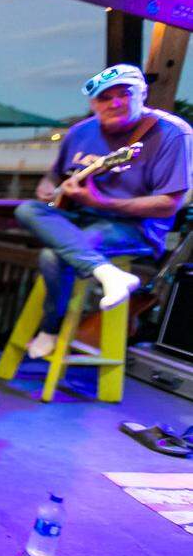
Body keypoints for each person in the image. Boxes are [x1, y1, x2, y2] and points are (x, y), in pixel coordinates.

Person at [15, 64, 192, 358]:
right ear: (93, 103)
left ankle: (50, 328)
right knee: (27, 210)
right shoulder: (80, 132)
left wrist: (102, 203)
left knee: (52, 254)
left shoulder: (172, 133)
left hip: (136, 227)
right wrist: (48, 187)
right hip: (80, 217)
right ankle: (108, 274)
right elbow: (54, 176)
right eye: (104, 97)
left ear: (143, 94)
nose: (115, 103)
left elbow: (169, 204)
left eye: (124, 93)